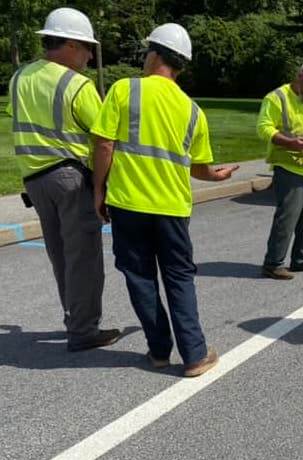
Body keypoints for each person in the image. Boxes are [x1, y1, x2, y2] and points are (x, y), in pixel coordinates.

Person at [91, 23, 238, 376]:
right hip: (172, 208)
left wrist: (99, 190)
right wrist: (218, 175)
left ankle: (158, 350)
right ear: (181, 65)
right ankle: (195, 355)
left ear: (153, 54)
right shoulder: (192, 110)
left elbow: (104, 144)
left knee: (139, 277)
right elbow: (198, 168)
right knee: (179, 278)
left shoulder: (125, 90)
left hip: (129, 203)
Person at [6, 8, 121, 351]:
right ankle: (84, 331)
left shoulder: (19, 77)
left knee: (60, 256)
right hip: (69, 178)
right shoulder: (76, 84)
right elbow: (104, 137)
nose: (88, 55)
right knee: (83, 256)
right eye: (86, 47)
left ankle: (75, 319)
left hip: (35, 182)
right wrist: (104, 188)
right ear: (70, 44)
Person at [257, 63, 303, 280]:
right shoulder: (277, 98)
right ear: (299, 77)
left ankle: (301, 259)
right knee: (287, 217)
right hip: (288, 165)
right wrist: (289, 142)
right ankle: (273, 263)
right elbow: (264, 127)